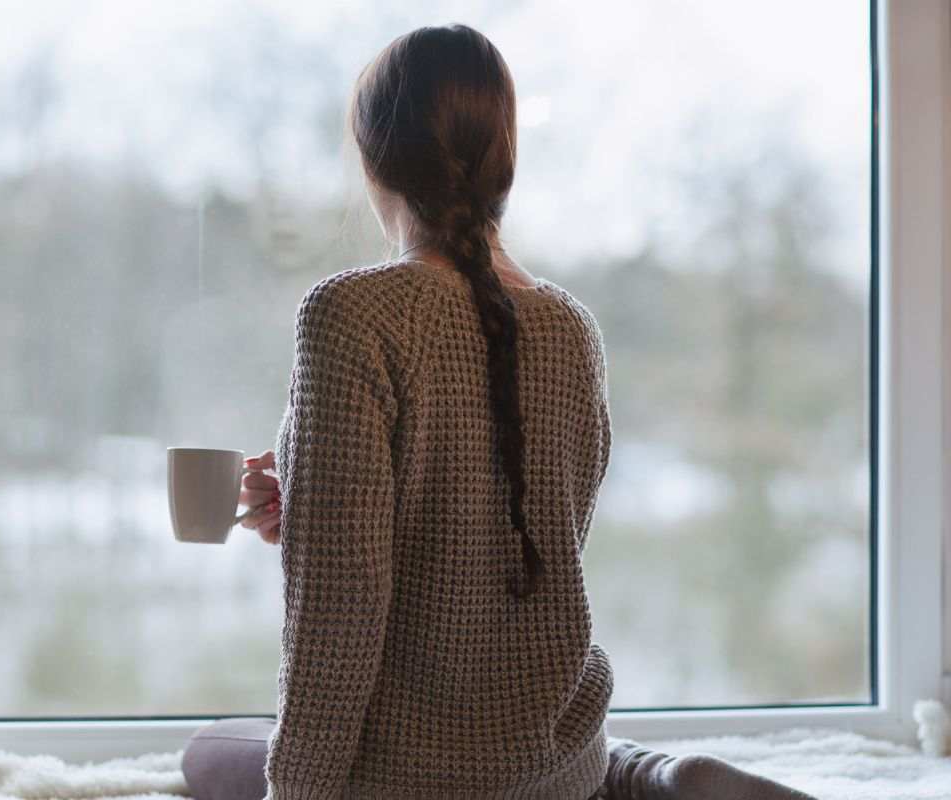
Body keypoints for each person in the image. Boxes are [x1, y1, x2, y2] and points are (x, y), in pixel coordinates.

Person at [182, 23, 816, 800]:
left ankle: (630, 775)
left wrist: (299, 792)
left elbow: (337, 613)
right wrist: (317, 496)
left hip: (413, 775)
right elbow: (527, 548)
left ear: (374, 157)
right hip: (554, 753)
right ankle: (643, 778)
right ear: (502, 161)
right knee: (573, 761)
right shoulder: (572, 326)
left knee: (209, 753)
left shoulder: (352, 313)